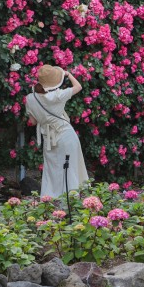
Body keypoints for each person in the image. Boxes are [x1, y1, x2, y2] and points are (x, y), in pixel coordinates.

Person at [25, 64, 89, 197]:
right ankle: (71, 200)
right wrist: (68, 74)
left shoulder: (30, 98)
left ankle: (50, 200)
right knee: (69, 168)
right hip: (65, 134)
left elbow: (33, 121)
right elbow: (78, 87)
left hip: (48, 138)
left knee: (52, 170)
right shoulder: (57, 95)